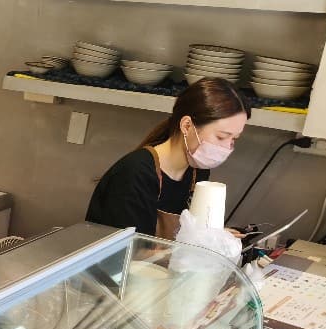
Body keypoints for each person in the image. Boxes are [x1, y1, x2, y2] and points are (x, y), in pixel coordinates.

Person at [86, 78, 250, 240]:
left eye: (234, 139)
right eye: (221, 137)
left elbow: (189, 232)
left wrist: (212, 237)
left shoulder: (197, 172)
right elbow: (130, 250)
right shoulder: (136, 174)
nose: (227, 147)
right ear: (187, 126)